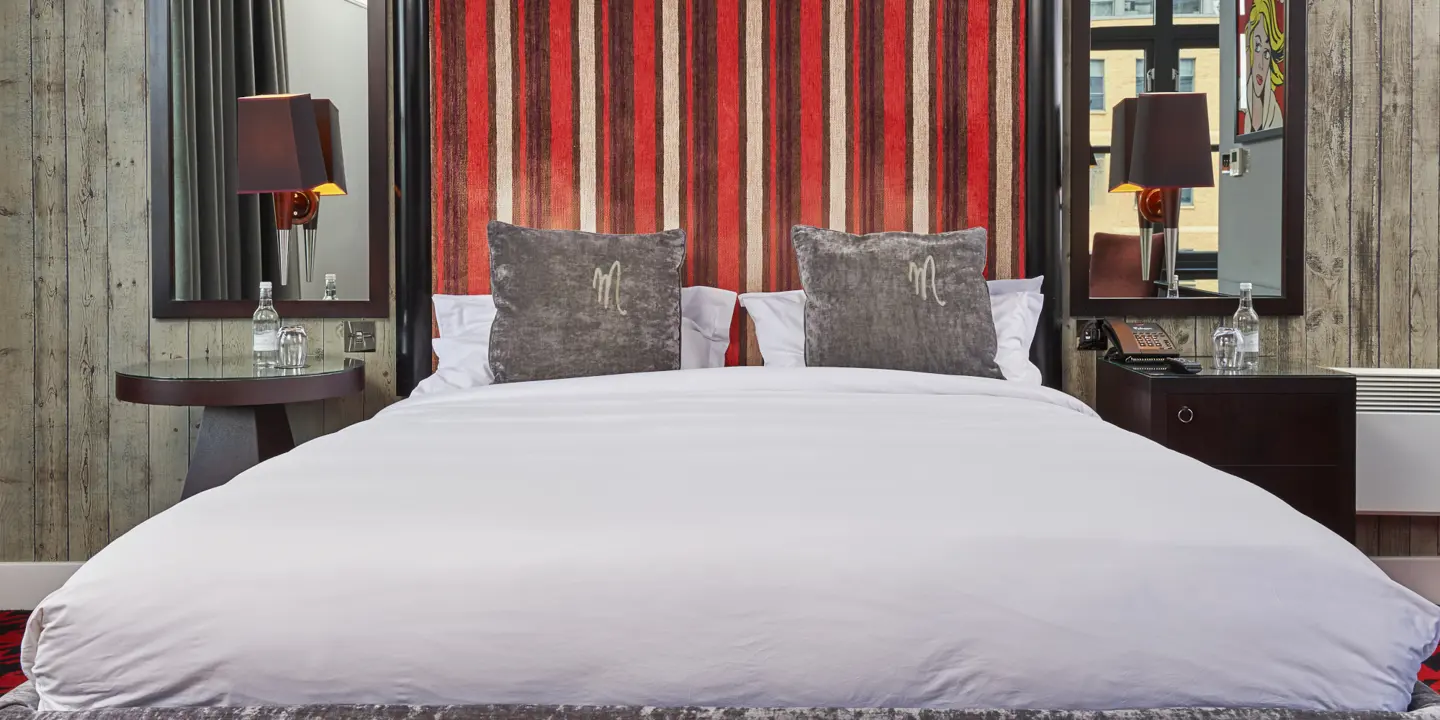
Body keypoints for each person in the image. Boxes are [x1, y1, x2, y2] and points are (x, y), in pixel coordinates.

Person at [1244, 0, 1284, 134]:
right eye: (1257, 46)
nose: (1261, 63)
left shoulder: (1276, 116)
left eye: (1267, 53)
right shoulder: (1242, 115)